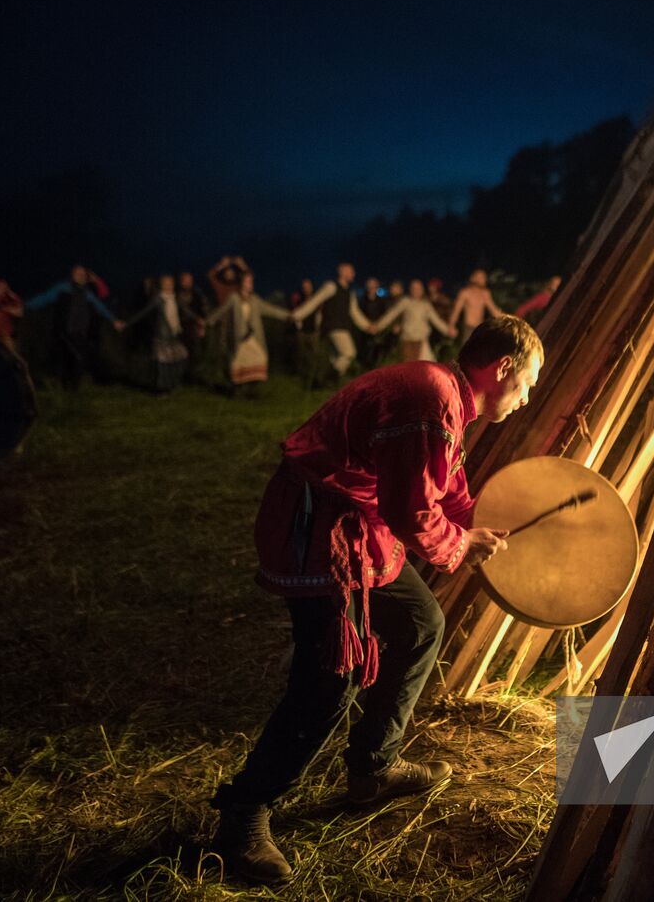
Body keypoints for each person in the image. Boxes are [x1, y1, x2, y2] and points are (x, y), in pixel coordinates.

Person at [209, 316, 544, 885]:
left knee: (419, 623)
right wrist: (460, 545)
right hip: (320, 532)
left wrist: (476, 525)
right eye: (529, 382)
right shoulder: (433, 398)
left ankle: (373, 768)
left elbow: (446, 486)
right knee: (329, 680)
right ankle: (243, 817)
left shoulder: (445, 395)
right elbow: (411, 511)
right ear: (503, 368)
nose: (528, 396)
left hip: (358, 526)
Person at [24, 265, 125, 388]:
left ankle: (71, 385)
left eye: (83, 274)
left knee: (76, 356)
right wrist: (25, 306)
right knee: (77, 355)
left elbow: (100, 307)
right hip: (65, 330)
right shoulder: (63, 288)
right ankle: (90, 382)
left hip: (80, 331)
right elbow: (44, 298)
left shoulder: (87, 293)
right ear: (72, 275)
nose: (81, 276)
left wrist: (114, 321)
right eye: (78, 273)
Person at [203, 271, 289, 397]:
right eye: (248, 281)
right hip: (240, 338)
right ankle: (237, 391)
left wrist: (288, 315)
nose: (250, 284)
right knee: (238, 363)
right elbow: (222, 310)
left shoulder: (254, 299)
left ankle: (250, 391)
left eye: (251, 281)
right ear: (242, 283)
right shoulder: (234, 298)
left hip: (253, 337)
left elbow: (271, 310)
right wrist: (208, 321)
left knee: (259, 359)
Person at [290, 262, 373, 379]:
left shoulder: (350, 292)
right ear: (342, 272)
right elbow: (315, 301)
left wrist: (367, 326)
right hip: (333, 327)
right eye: (351, 271)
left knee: (335, 358)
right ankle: (329, 378)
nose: (354, 274)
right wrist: (297, 315)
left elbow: (355, 312)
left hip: (342, 327)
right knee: (349, 353)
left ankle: (330, 384)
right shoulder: (331, 286)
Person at [124, 274, 205, 392]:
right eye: (166, 284)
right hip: (162, 336)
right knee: (162, 364)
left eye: (171, 283)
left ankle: (172, 383)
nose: (169, 286)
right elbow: (144, 312)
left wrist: (197, 318)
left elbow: (185, 310)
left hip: (174, 334)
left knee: (181, 358)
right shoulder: (158, 299)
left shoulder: (174, 297)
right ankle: (161, 388)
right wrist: (127, 323)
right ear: (161, 285)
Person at [371, 278, 456, 362]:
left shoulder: (426, 305)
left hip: (421, 341)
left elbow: (436, 320)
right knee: (409, 366)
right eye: (413, 288)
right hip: (407, 340)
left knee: (424, 366)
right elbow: (391, 314)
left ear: (422, 290)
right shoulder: (405, 302)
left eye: (418, 288)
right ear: (410, 290)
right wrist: (378, 326)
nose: (416, 291)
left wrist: (448, 330)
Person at [447, 269, 503, 342]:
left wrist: (507, 321)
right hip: (469, 329)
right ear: (473, 278)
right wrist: (451, 326)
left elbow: (493, 310)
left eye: (484, 277)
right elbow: (456, 310)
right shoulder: (465, 293)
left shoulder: (485, 293)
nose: (484, 279)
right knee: (468, 351)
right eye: (481, 277)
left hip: (481, 329)